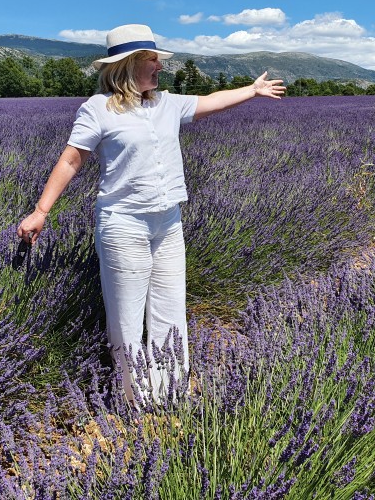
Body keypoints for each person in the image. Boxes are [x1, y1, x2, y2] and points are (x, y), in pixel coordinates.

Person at [16, 23, 285, 405]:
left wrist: (252, 91)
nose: (160, 67)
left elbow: (212, 101)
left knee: (170, 308)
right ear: (128, 66)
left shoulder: (167, 104)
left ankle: (169, 393)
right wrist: (41, 210)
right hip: (124, 223)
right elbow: (72, 160)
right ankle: (137, 400)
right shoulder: (98, 109)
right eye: (153, 61)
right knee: (127, 317)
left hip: (168, 221)